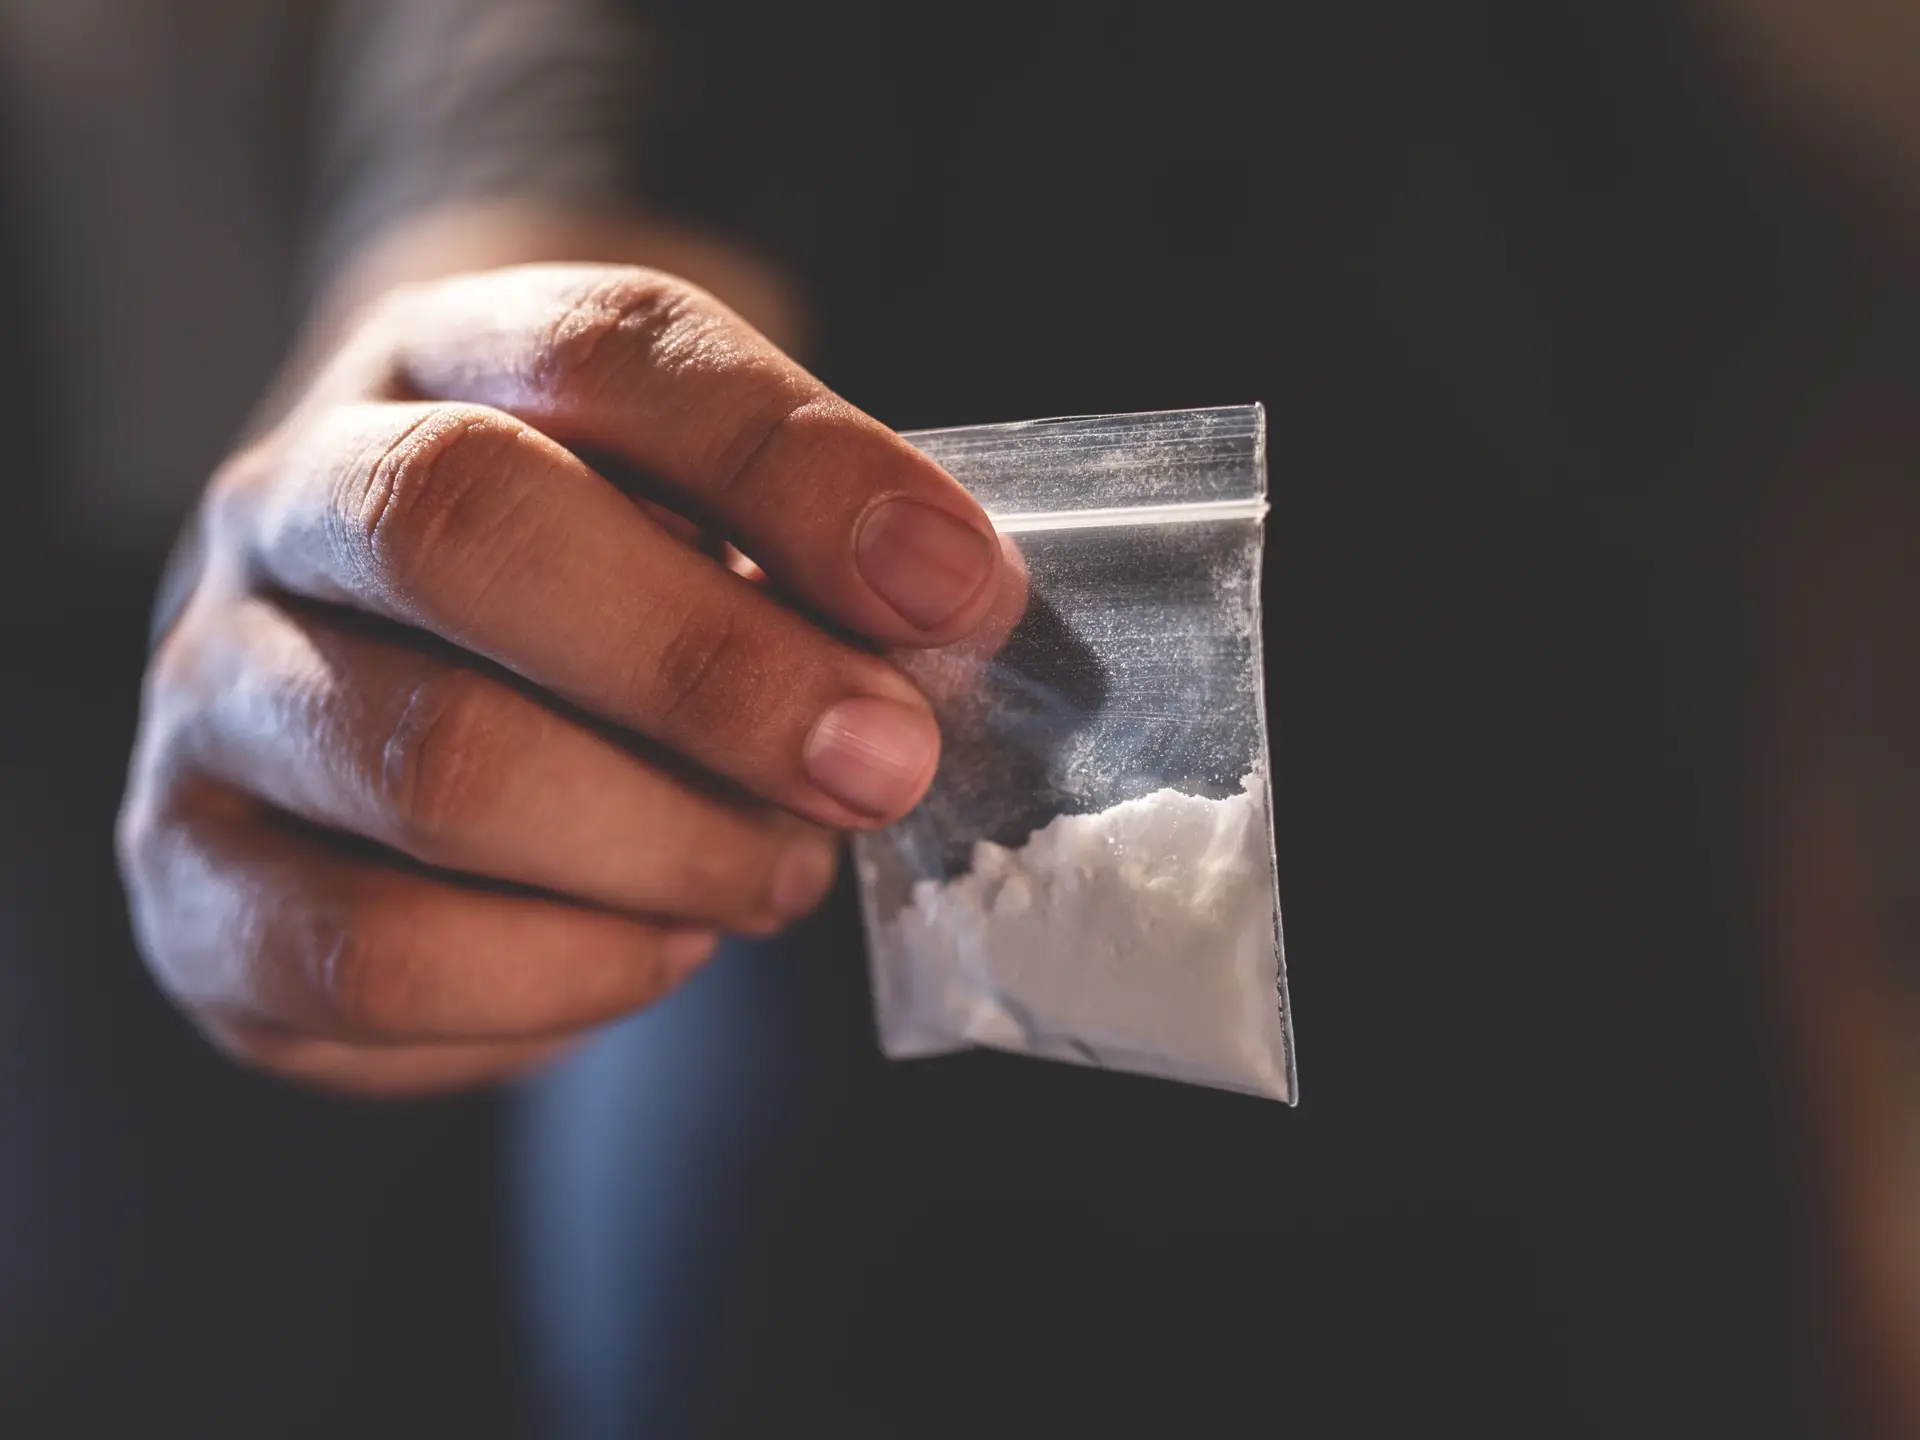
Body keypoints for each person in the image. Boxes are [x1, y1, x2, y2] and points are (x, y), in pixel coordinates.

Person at [58, 0, 1920, 1434]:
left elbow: (1712, 548)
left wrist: (1836, 1149)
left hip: (1671, 1215)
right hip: (964, 1296)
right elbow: (570, 134)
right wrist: (413, 530)